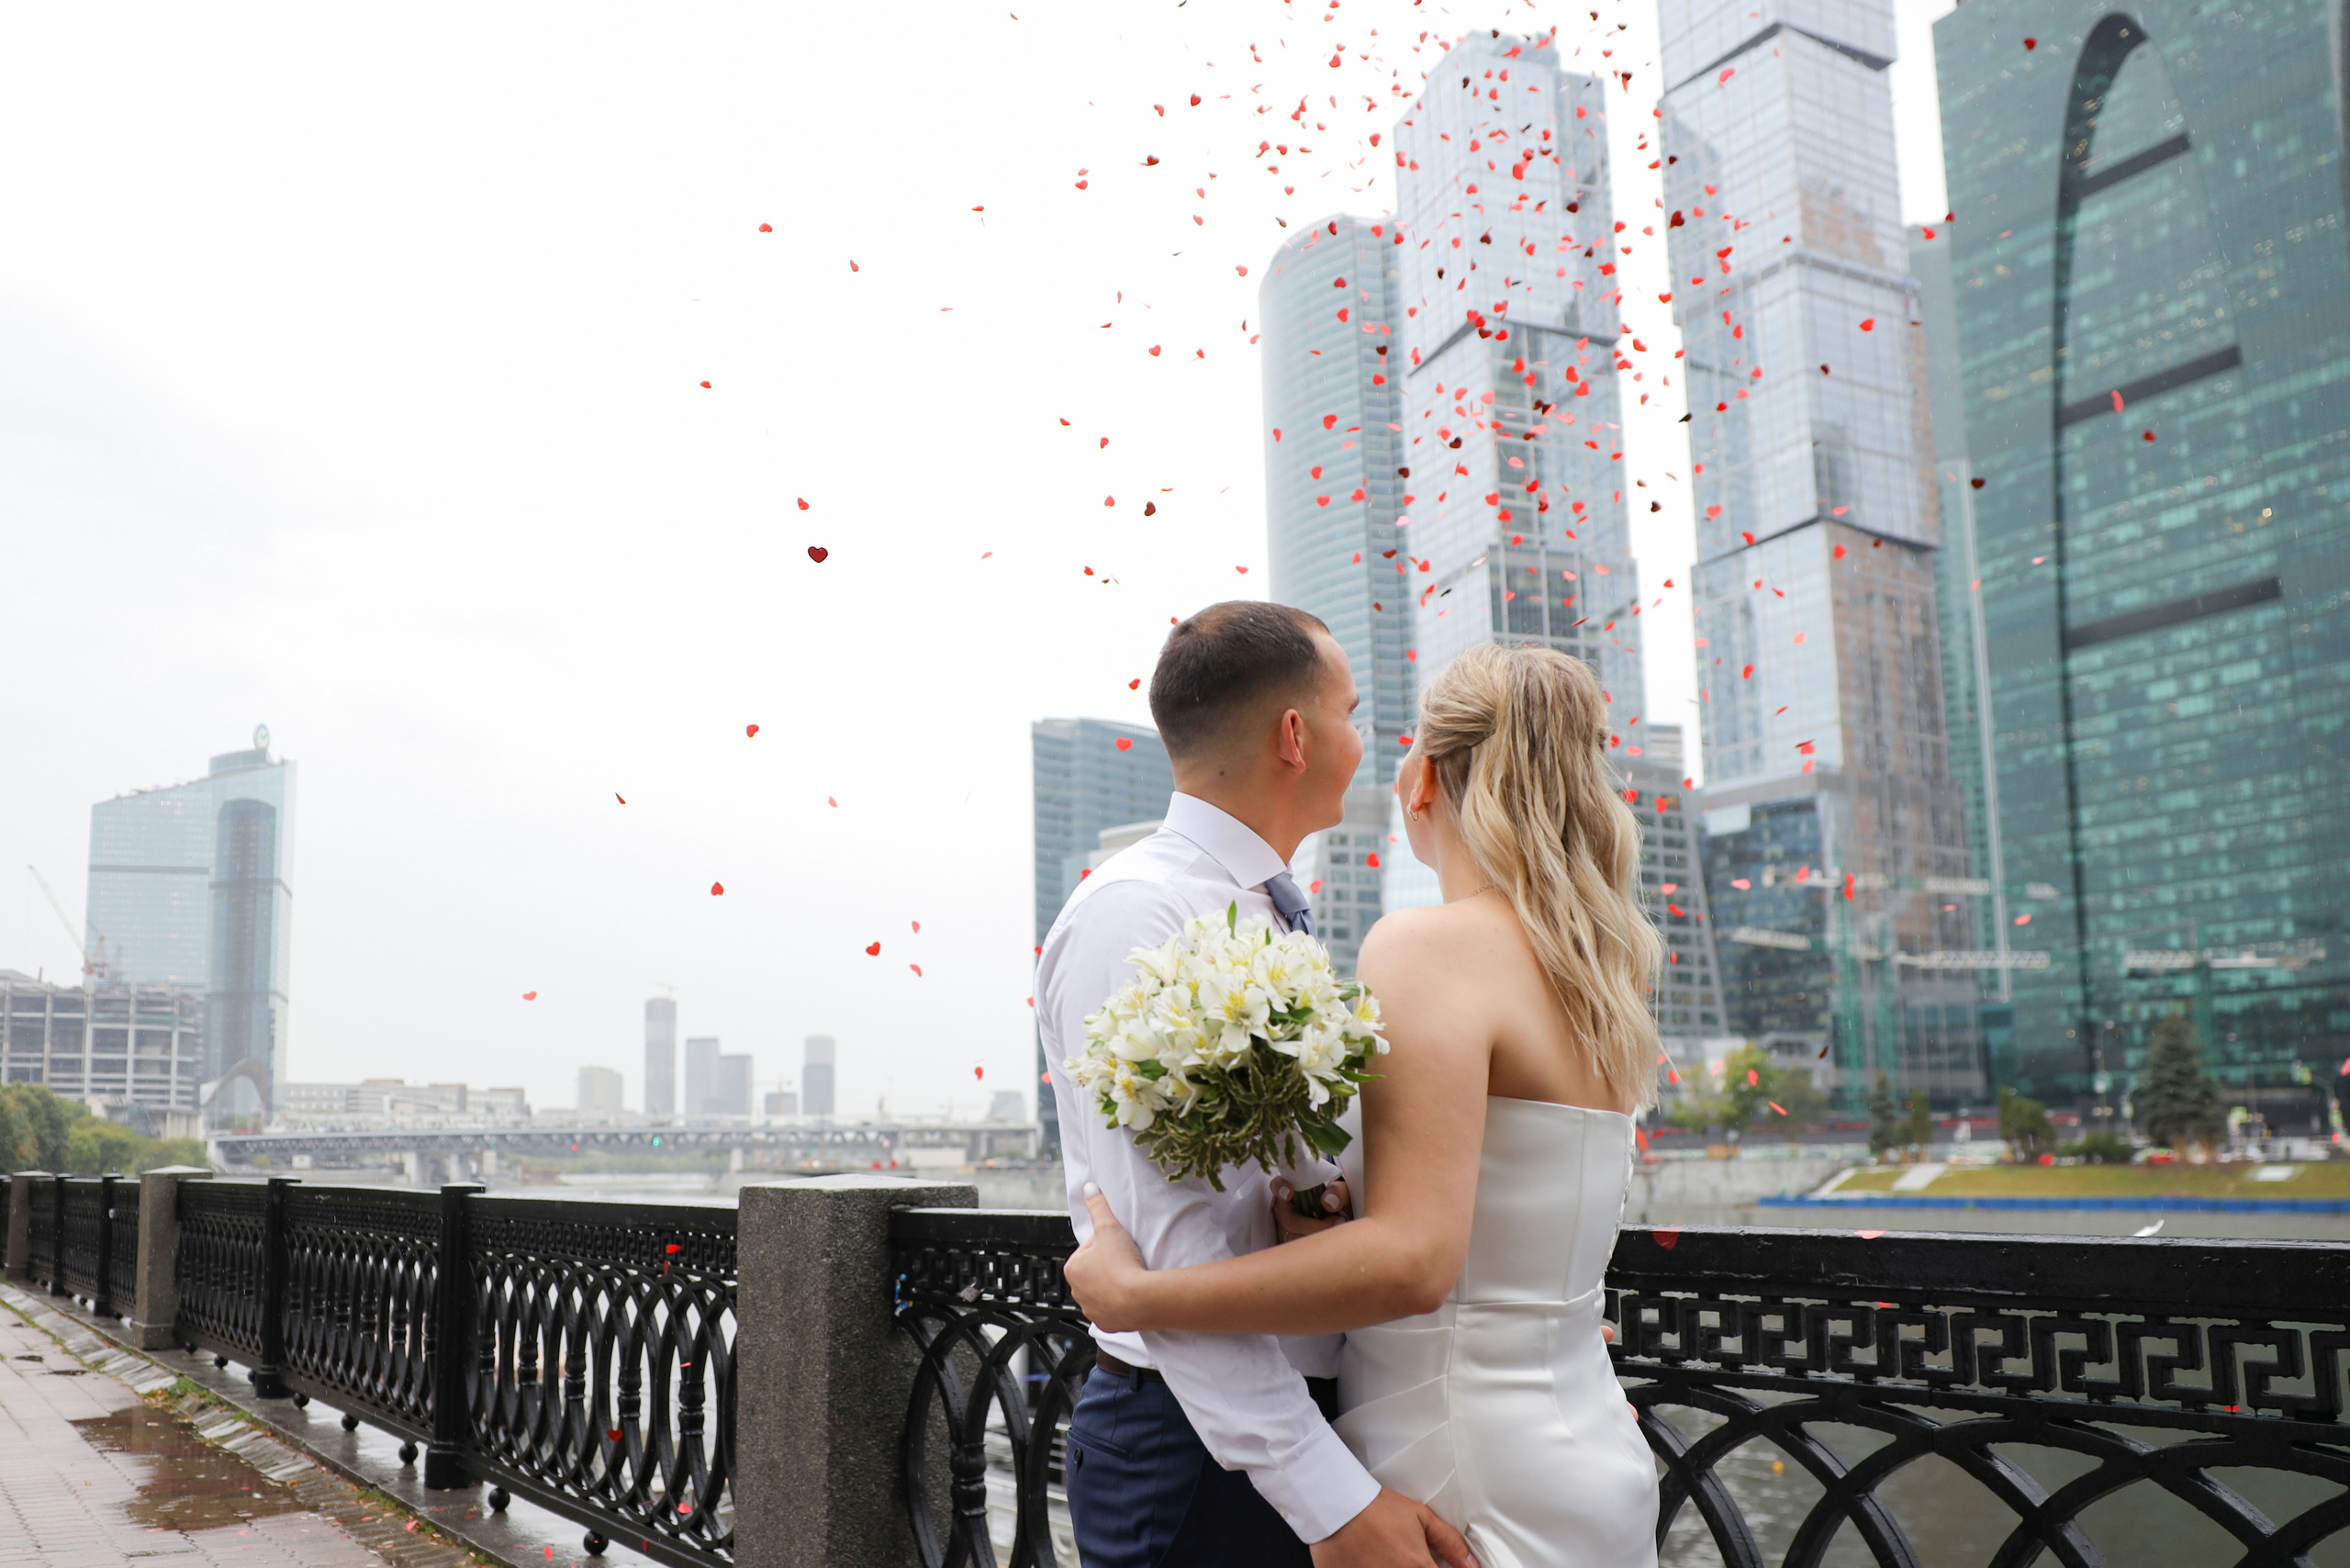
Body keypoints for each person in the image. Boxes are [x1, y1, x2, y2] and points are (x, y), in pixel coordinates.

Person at [1064, 641, 1665, 1568]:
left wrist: (1139, 1294)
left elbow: (1419, 1254)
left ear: (1422, 779)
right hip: (1579, 1434)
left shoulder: (1427, 949)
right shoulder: (1601, 975)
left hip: (1451, 1445)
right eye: (1354, 709)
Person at [1041, 601, 1478, 1568]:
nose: (1365, 742)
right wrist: (1329, 1502)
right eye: (1352, 712)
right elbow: (1172, 1249)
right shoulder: (1139, 915)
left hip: (1290, 1415)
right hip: (1199, 1444)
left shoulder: (1263, 911)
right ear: (1295, 734)